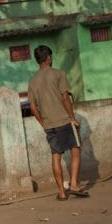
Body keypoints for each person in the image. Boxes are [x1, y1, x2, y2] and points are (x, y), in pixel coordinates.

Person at [28, 45, 89, 201]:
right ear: (49, 57)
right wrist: (72, 117)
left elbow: (33, 108)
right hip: (64, 121)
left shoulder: (33, 81)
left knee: (56, 156)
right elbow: (65, 98)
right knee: (75, 149)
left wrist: (43, 123)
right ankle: (74, 184)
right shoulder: (59, 74)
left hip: (49, 124)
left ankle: (62, 192)